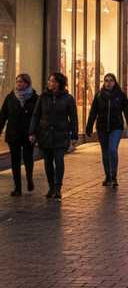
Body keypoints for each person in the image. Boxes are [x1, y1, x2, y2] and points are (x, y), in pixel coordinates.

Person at [29, 72, 78, 200]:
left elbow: (73, 118)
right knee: (48, 162)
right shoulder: (43, 97)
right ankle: (51, 186)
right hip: (45, 134)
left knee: (59, 160)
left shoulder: (68, 98)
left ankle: (57, 188)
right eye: (49, 81)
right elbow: (36, 115)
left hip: (60, 134)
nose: (50, 83)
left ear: (59, 83)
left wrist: (74, 136)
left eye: (53, 81)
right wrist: (32, 132)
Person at [85, 73, 128, 187]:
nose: (108, 83)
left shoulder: (120, 95)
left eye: (111, 80)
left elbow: (127, 112)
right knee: (105, 152)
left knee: (112, 150)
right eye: (106, 81)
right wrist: (88, 127)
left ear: (115, 82)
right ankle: (108, 176)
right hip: (102, 127)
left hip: (116, 127)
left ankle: (114, 176)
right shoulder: (99, 95)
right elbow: (93, 112)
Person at [0, 74, 38, 195]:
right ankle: (17, 188)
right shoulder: (10, 97)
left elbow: (38, 117)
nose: (18, 84)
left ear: (27, 83)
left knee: (28, 159)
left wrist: (36, 133)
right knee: (15, 161)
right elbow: (3, 115)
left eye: (21, 82)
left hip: (28, 134)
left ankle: (29, 179)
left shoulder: (35, 98)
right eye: (17, 82)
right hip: (13, 134)